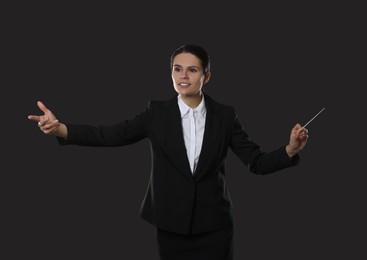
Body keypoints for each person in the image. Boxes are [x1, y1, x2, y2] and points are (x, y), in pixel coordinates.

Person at [28, 44, 308, 260]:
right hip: (171, 226)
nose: (183, 76)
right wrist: (61, 129)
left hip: (216, 228)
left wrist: (289, 149)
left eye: (192, 70)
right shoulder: (156, 113)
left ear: (206, 76)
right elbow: (110, 135)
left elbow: (256, 162)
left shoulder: (225, 116)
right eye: (177, 68)